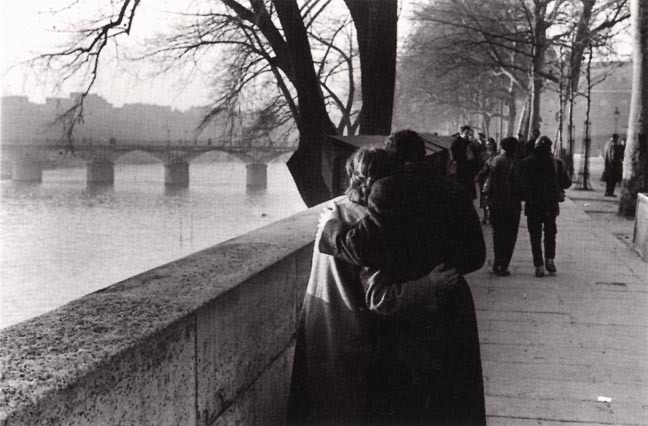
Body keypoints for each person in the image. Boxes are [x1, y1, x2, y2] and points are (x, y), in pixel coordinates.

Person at [319, 130, 487, 425]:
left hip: (410, 312)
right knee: (453, 400)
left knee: (407, 403)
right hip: (453, 302)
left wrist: (331, 229)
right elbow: (476, 256)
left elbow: (361, 249)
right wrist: (446, 266)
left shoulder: (387, 190)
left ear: (393, 156)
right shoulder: (455, 191)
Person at [287, 147, 460, 426]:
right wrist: (429, 285)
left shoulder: (335, 212)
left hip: (320, 328)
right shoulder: (373, 224)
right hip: (354, 340)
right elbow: (382, 298)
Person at [519, 136, 572, 277]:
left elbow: (520, 184)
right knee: (550, 233)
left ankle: (539, 265)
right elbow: (567, 183)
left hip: (533, 205)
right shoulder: (557, 163)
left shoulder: (526, 163)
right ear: (549, 148)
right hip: (550, 205)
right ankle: (550, 259)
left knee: (534, 236)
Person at [483, 137, 522, 276]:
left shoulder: (496, 161)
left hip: (497, 203)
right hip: (513, 204)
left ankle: (497, 262)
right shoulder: (518, 163)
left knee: (498, 233)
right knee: (510, 235)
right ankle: (504, 264)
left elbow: (486, 178)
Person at [451, 125, 480, 200]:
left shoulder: (470, 143)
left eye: (469, 133)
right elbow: (456, 157)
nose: (468, 135)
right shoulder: (456, 143)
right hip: (462, 170)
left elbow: (476, 156)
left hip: (469, 170)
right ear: (461, 133)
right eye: (466, 133)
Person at [477, 138, 498, 224]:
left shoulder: (497, 154)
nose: (488, 146)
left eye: (490, 144)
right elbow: (478, 165)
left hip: (493, 177)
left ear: (493, 145)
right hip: (483, 177)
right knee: (484, 197)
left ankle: (491, 215)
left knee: (492, 196)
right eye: (487, 144)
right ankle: (485, 216)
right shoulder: (482, 154)